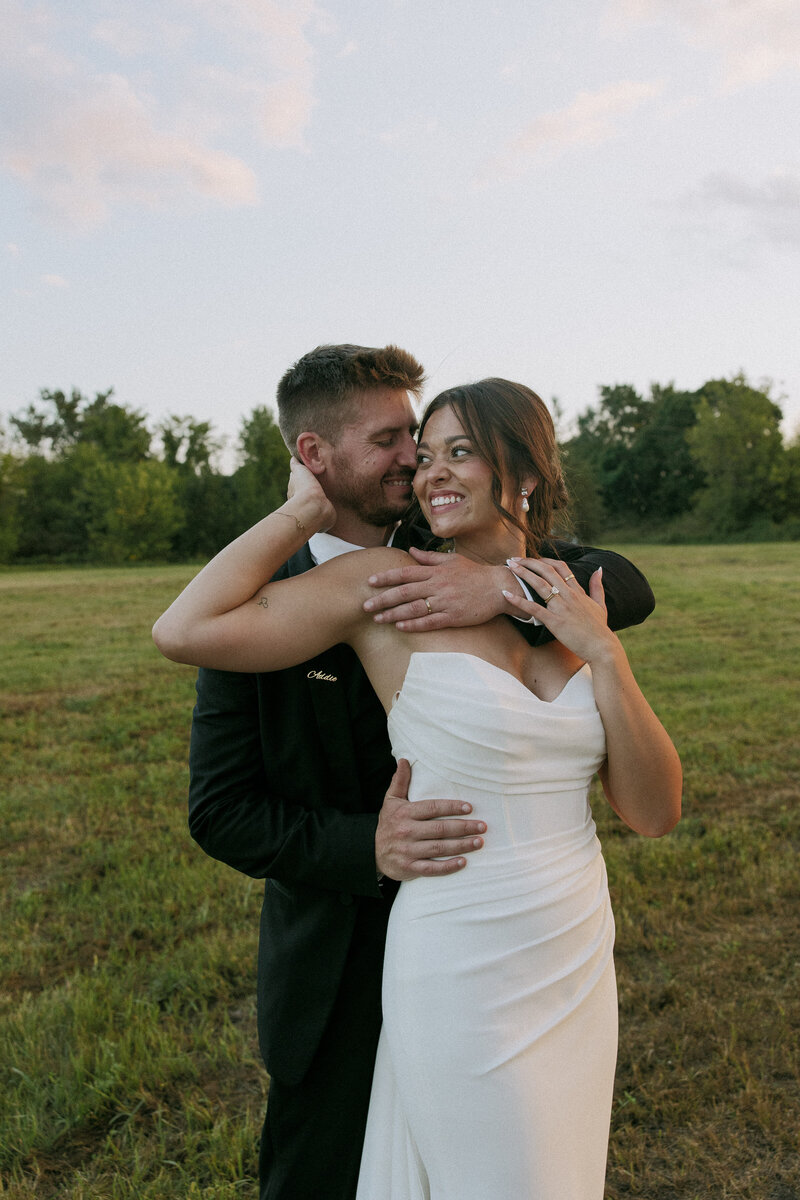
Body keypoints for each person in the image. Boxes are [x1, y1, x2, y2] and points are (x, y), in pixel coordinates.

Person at [155, 368, 680, 1198]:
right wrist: (301, 512)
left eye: (452, 451)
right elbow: (183, 630)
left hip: (574, 942)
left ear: (527, 472)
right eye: (411, 448)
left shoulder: (573, 600)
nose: (423, 468)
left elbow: (655, 812)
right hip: (457, 948)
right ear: (315, 454)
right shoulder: (386, 585)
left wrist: (593, 642)